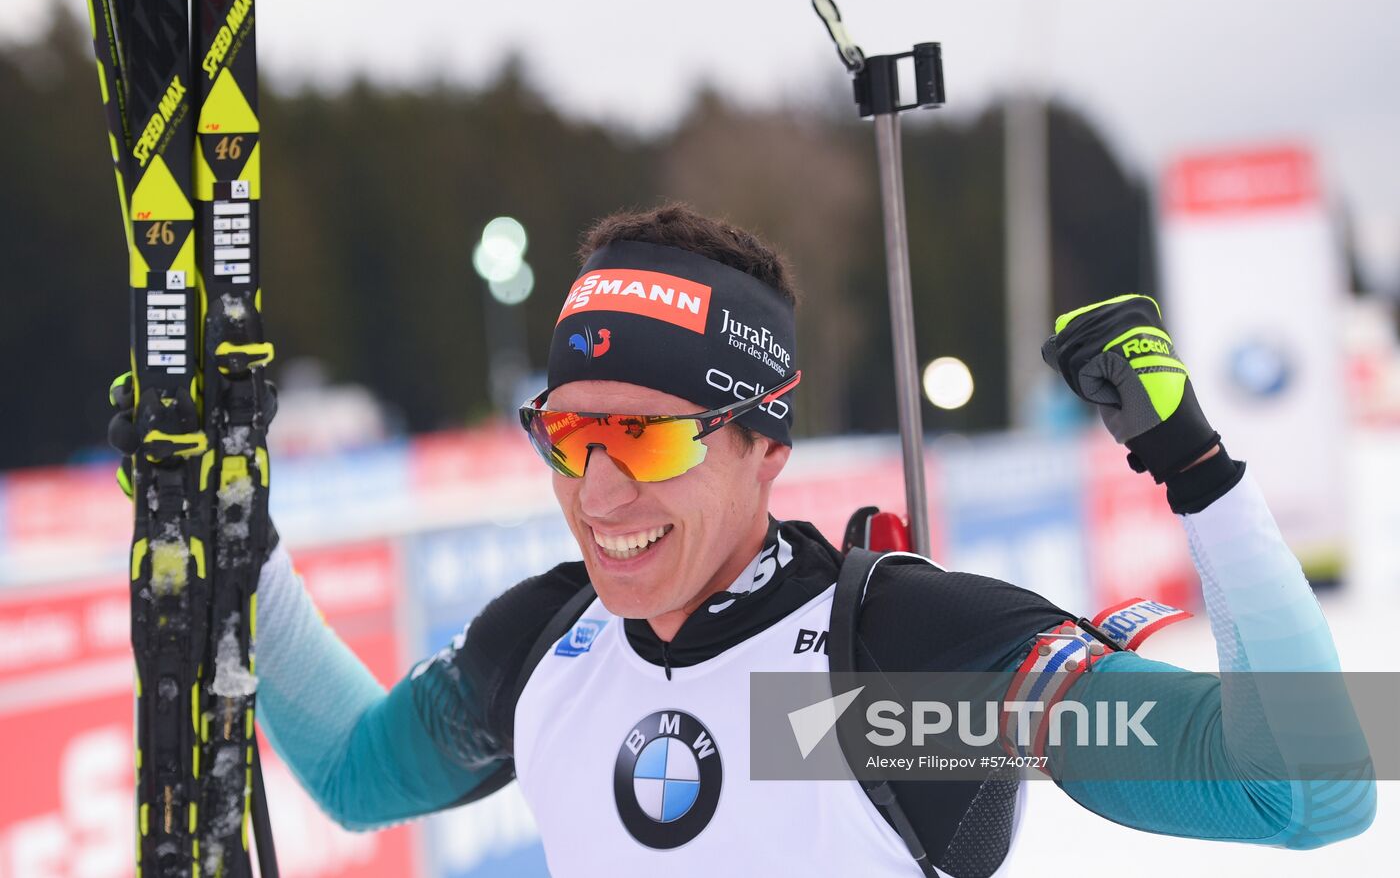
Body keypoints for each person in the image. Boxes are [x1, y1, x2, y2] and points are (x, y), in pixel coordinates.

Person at [244, 204, 1372, 877]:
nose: (597, 491)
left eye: (644, 437)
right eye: (569, 432)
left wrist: (1196, 471)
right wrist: (232, 523)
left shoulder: (871, 671)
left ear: (762, 446)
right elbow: (352, 774)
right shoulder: (548, 646)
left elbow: (1304, 794)